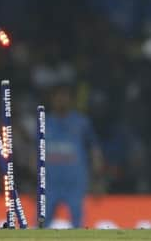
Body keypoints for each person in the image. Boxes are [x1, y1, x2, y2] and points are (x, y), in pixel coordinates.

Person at [45, 84, 103, 228]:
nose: (61, 100)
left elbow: (94, 149)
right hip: (49, 182)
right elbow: (34, 152)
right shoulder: (44, 122)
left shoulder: (81, 122)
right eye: (58, 96)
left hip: (75, 182)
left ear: (70, 100)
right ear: (52, 99)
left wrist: (97, 179)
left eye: (64, 96)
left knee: (78, 224)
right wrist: (34, 180)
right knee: (41, 223)